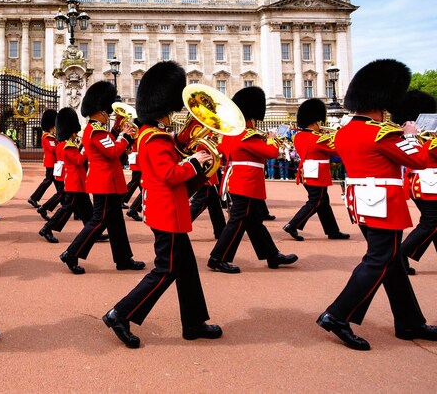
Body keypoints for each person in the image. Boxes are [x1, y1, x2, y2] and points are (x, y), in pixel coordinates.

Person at [317, 59, 437, 351]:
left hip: (363, 202)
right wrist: (411, 135)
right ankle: (337, 314)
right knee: (379, 260)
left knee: (392, 262)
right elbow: (419, 160)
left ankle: (409, 321)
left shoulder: (345, 131)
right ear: (382, 101)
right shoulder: (382, 133)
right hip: (383, 203)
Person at [103, 61, 221, 348]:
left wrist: (194, 134)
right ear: (163, 106)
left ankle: (193, 322)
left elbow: (174, 149)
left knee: (187, 267)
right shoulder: (153, 138)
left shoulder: (156, 134)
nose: (173, 113)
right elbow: (170, 174)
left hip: (171, 209)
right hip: (167, 211)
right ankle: (121, 312)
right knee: (166, 269)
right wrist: (196, 161)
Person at [207, 87, 297, 274]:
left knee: (254, 222)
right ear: (251, 117)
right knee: (238, 221)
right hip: (246, 183)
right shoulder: (249, 135)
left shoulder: (231, 134)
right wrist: (271, 139)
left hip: (238, 181)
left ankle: (272, 255)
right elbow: (271, 153)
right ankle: (218, 258)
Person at [59, 81, 145, 275]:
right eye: (108, 111)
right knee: (98, 221)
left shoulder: (97, 130)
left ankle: (123, 258)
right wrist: (125, 136)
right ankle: (71, 253)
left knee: (116, 222)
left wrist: (117, 130)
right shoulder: (96, 130)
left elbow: (110, 144)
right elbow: (114, 151)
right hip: (105, 183)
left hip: (109, 182)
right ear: (101, 111)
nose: (110, 113)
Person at [283, 99, 349, 241]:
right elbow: (336, 150)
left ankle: (333, 231)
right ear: (316, 122)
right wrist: (339, 135)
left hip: (306, 172)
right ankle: (293, 225)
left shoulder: (299, 136)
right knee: (316, 202)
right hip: (317, 174)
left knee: (323, 202)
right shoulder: (318, 138)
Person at [392, 90, 437, 274]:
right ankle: (401, 255)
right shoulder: (416, 136)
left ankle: (402, 256)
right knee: (430, 223)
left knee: (434, 223)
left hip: (428, 183)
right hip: (427, 184)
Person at [39, 108, 92, 243]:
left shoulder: (66, 144)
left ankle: (91, 230)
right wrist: (86, 147)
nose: (76, 135)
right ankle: (47, 228)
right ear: (70, 132)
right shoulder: (67, 146)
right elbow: (79, 160)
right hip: (74, 183)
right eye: (74, 132)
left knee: (86, 209)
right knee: (66, 209)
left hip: (78, 183)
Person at [28, 110, 62, 217]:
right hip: (51, 163)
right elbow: (52, 149)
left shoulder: (52, 136)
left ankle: (62, 198)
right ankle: (33, 198)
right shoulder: (48, 136)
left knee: (57, 182)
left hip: (55, 163)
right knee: (48, 180)